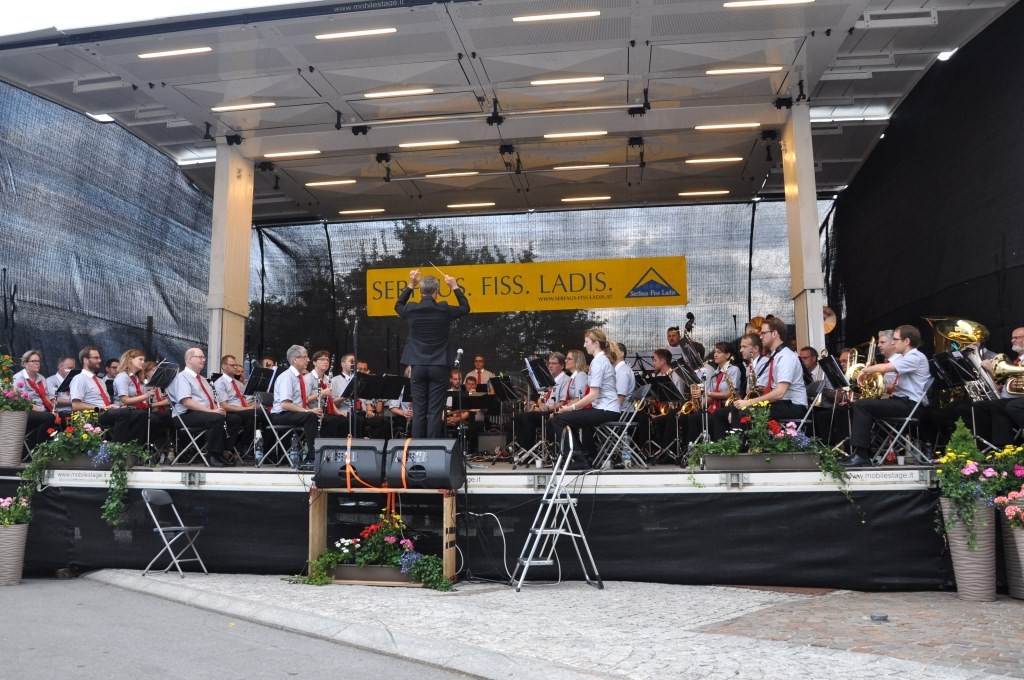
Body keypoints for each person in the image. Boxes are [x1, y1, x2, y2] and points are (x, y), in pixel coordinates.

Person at [395, 269, 470, 439]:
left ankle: (417, 448)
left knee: (419, 409)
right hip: (439, 365)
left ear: (420, 291)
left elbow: (398, 305)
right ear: (436, 291)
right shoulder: (443, 308)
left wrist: (411, 284)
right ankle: (432, 448)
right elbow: (465, 308)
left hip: (418, 365)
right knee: (435, 410)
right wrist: (454, 286)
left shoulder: (411, 308)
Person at [844, 324, 931, 467]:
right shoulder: (905, 357)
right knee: (862, 404)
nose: (893, 343)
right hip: (902, 402)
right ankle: (861, 453)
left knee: (862, 405)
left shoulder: (915, 357)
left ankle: (862, 455)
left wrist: (864, 371)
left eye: (895, 339)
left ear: (906, 341)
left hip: (910, 405)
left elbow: (884, 368)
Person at [552, 329, 621, 469]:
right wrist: (572, 408)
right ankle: (585, 455)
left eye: (586, 342)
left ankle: (579, 458)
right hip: (606, 408)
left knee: (559, 420)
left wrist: (571, 408)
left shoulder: (598, 362)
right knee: (568, 419)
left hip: (606, 410)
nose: (584, 345)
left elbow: (593, 394)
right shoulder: (601, 360)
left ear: (596, 343)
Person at [167, 348, 235, 467]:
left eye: (204, 357)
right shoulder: (181, 377)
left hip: (203, 413)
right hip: (185, 415)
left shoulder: (202, 379)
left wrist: (218, 409)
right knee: (216, 418)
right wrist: (212, 411)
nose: (203, 360)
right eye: (200, 357)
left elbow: (210, 400)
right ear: (190, 359)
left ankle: (224, 452)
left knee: (234, 419)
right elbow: (186, 401)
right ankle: (212, 456)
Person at [732, 316, 808, 421]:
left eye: (763, 333)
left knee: (745, 411)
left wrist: (749, 402)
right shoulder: (776, 355)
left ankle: (745, 432)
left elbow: (780, 393)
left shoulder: (785, 357)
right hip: (783, 403)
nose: (760, 337)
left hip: (794, 405)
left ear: (774, 334)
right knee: (736, 409)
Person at [69, 346, 134, 442]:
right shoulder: (79, 378)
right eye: (96, 358)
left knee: (139, 414)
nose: (99, 360)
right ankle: (118, 446)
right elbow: (76, 405)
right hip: (93, 414)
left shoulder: (100, 381)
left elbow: (107, 403)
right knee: (123, 413)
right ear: (86, 360)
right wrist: (100, 408)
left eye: (99, 357)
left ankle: (135, 446)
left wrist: (117, 406)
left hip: (106, 412)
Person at [271, 345, 321, 463]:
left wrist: (313, 410)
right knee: (310, 416)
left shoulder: (299, 377)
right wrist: (308, 411)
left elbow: (300, 402)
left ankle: (323, 454)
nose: (308, 360)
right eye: (305, 357)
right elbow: (285, 404)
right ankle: (313, 457)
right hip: (281, 414)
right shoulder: (287, 377)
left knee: (322, 417)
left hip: (292, 412)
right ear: (294, 359)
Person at [515, 352, 569, 452]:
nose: (550, 366)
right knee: (518, 417)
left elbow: (563, 402)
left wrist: (548, 408)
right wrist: (540, 406)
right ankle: (521, 447)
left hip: (554, 412)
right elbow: (541, 398)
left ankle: (528, 450)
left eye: (554, 363)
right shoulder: (549, 379)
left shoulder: (566, 380)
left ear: (562, 366)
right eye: (549, 363)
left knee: (527, 417)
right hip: (545, 410)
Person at [215, 354, 259, 457]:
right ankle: (242, 445)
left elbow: (245, 400)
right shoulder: (220, 383)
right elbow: (224, 406)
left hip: (243, 410)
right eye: (232, 365)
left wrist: (253, 404)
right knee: (255, 415)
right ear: (224, 366)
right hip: (232, 411)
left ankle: (247, 444)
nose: (235, 367)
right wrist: (247, 408)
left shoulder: (238, 384)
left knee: (263, 413)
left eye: (236, 365)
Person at [12, 349, 57, 450]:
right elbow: (21, 401)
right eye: (34, 361)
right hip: (27, 410)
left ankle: (57, 449)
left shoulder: (41, 378)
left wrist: (54, 410)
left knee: (62, 416)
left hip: (42, 410)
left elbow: (46, 397)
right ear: (25, 363)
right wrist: (42, 411)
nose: (37, 363)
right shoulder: (19, 378)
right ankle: (38, 448)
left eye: (38, 361)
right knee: (49, 417)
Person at [111, 348, 157, 446]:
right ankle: (133, 446)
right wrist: (146, 395)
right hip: (124, 411)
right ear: (130, 359)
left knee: (160, 418)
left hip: (136, 410)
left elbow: (142, 397)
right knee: (144, 416)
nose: (143, 362)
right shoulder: (122, 376)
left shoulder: (136, 378)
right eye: (140, 359)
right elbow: (125, 400)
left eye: (144, 360)